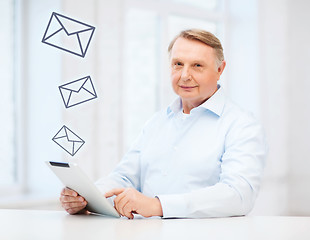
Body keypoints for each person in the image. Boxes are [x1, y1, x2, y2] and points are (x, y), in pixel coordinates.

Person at [60, 29, 267, 219]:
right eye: (178, 64)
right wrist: (86, 197)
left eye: (197, 65)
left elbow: (239, 195)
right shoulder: (157, 122)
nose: (185, 75)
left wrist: (159, 205)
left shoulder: (242, 125)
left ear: (220, 69)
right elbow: (124, 177)